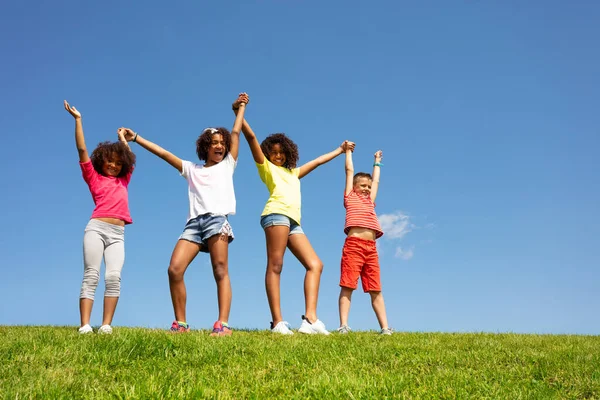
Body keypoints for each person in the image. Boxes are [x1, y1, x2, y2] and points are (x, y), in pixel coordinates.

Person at [125, 93, 248, 335]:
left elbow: (236, 134)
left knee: (220, 269)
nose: (220, 146)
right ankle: (181, 324)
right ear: (206, 146)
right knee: (175, 269)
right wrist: (136, 138)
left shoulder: (228, 165)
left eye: (222, 143)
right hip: (193, 224)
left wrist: (240, 108)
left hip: (217, 220)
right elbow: (163, 154)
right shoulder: (191, 169)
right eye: (214, 142)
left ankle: (222, 324)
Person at [236, 110, 354, 334]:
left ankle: (310, 319)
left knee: (315, 265)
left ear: (288, 153)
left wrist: (340, 150)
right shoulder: (266, 168)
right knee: (276, 265)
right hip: (275, 216)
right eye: (273, 152)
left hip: (293, 222)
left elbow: (318, 161)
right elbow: (251, 138)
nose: (278, 156)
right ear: (267, 154)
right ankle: (278, 322)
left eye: (281, 152)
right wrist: (239, 113)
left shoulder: (294, 173)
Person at [64, 100, 137, 335]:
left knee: (114, 276)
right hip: (96, 228)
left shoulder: (124, 179)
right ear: (101, 162)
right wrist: (78, 120)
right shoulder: (93, 177)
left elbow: (128, 155)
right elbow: (82, 151)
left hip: (118, 233)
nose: (114, 165)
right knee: (92, 274)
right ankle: (85, 325)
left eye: (118, 162)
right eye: (110, 162)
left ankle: (106, 325)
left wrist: (123, 138)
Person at [337, 148, 393, 335]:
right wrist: (348, 153)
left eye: (368, 187)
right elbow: (349, 172)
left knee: (375, 288)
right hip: (354, 246)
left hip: (371, 248)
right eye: (362, 186)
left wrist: (377, 161)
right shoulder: (349, 197)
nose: (367, 189)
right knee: (348, 285)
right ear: (354, 187)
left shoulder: (371, 201)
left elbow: (376, 180)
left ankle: (385, 328)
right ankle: (344, 325)